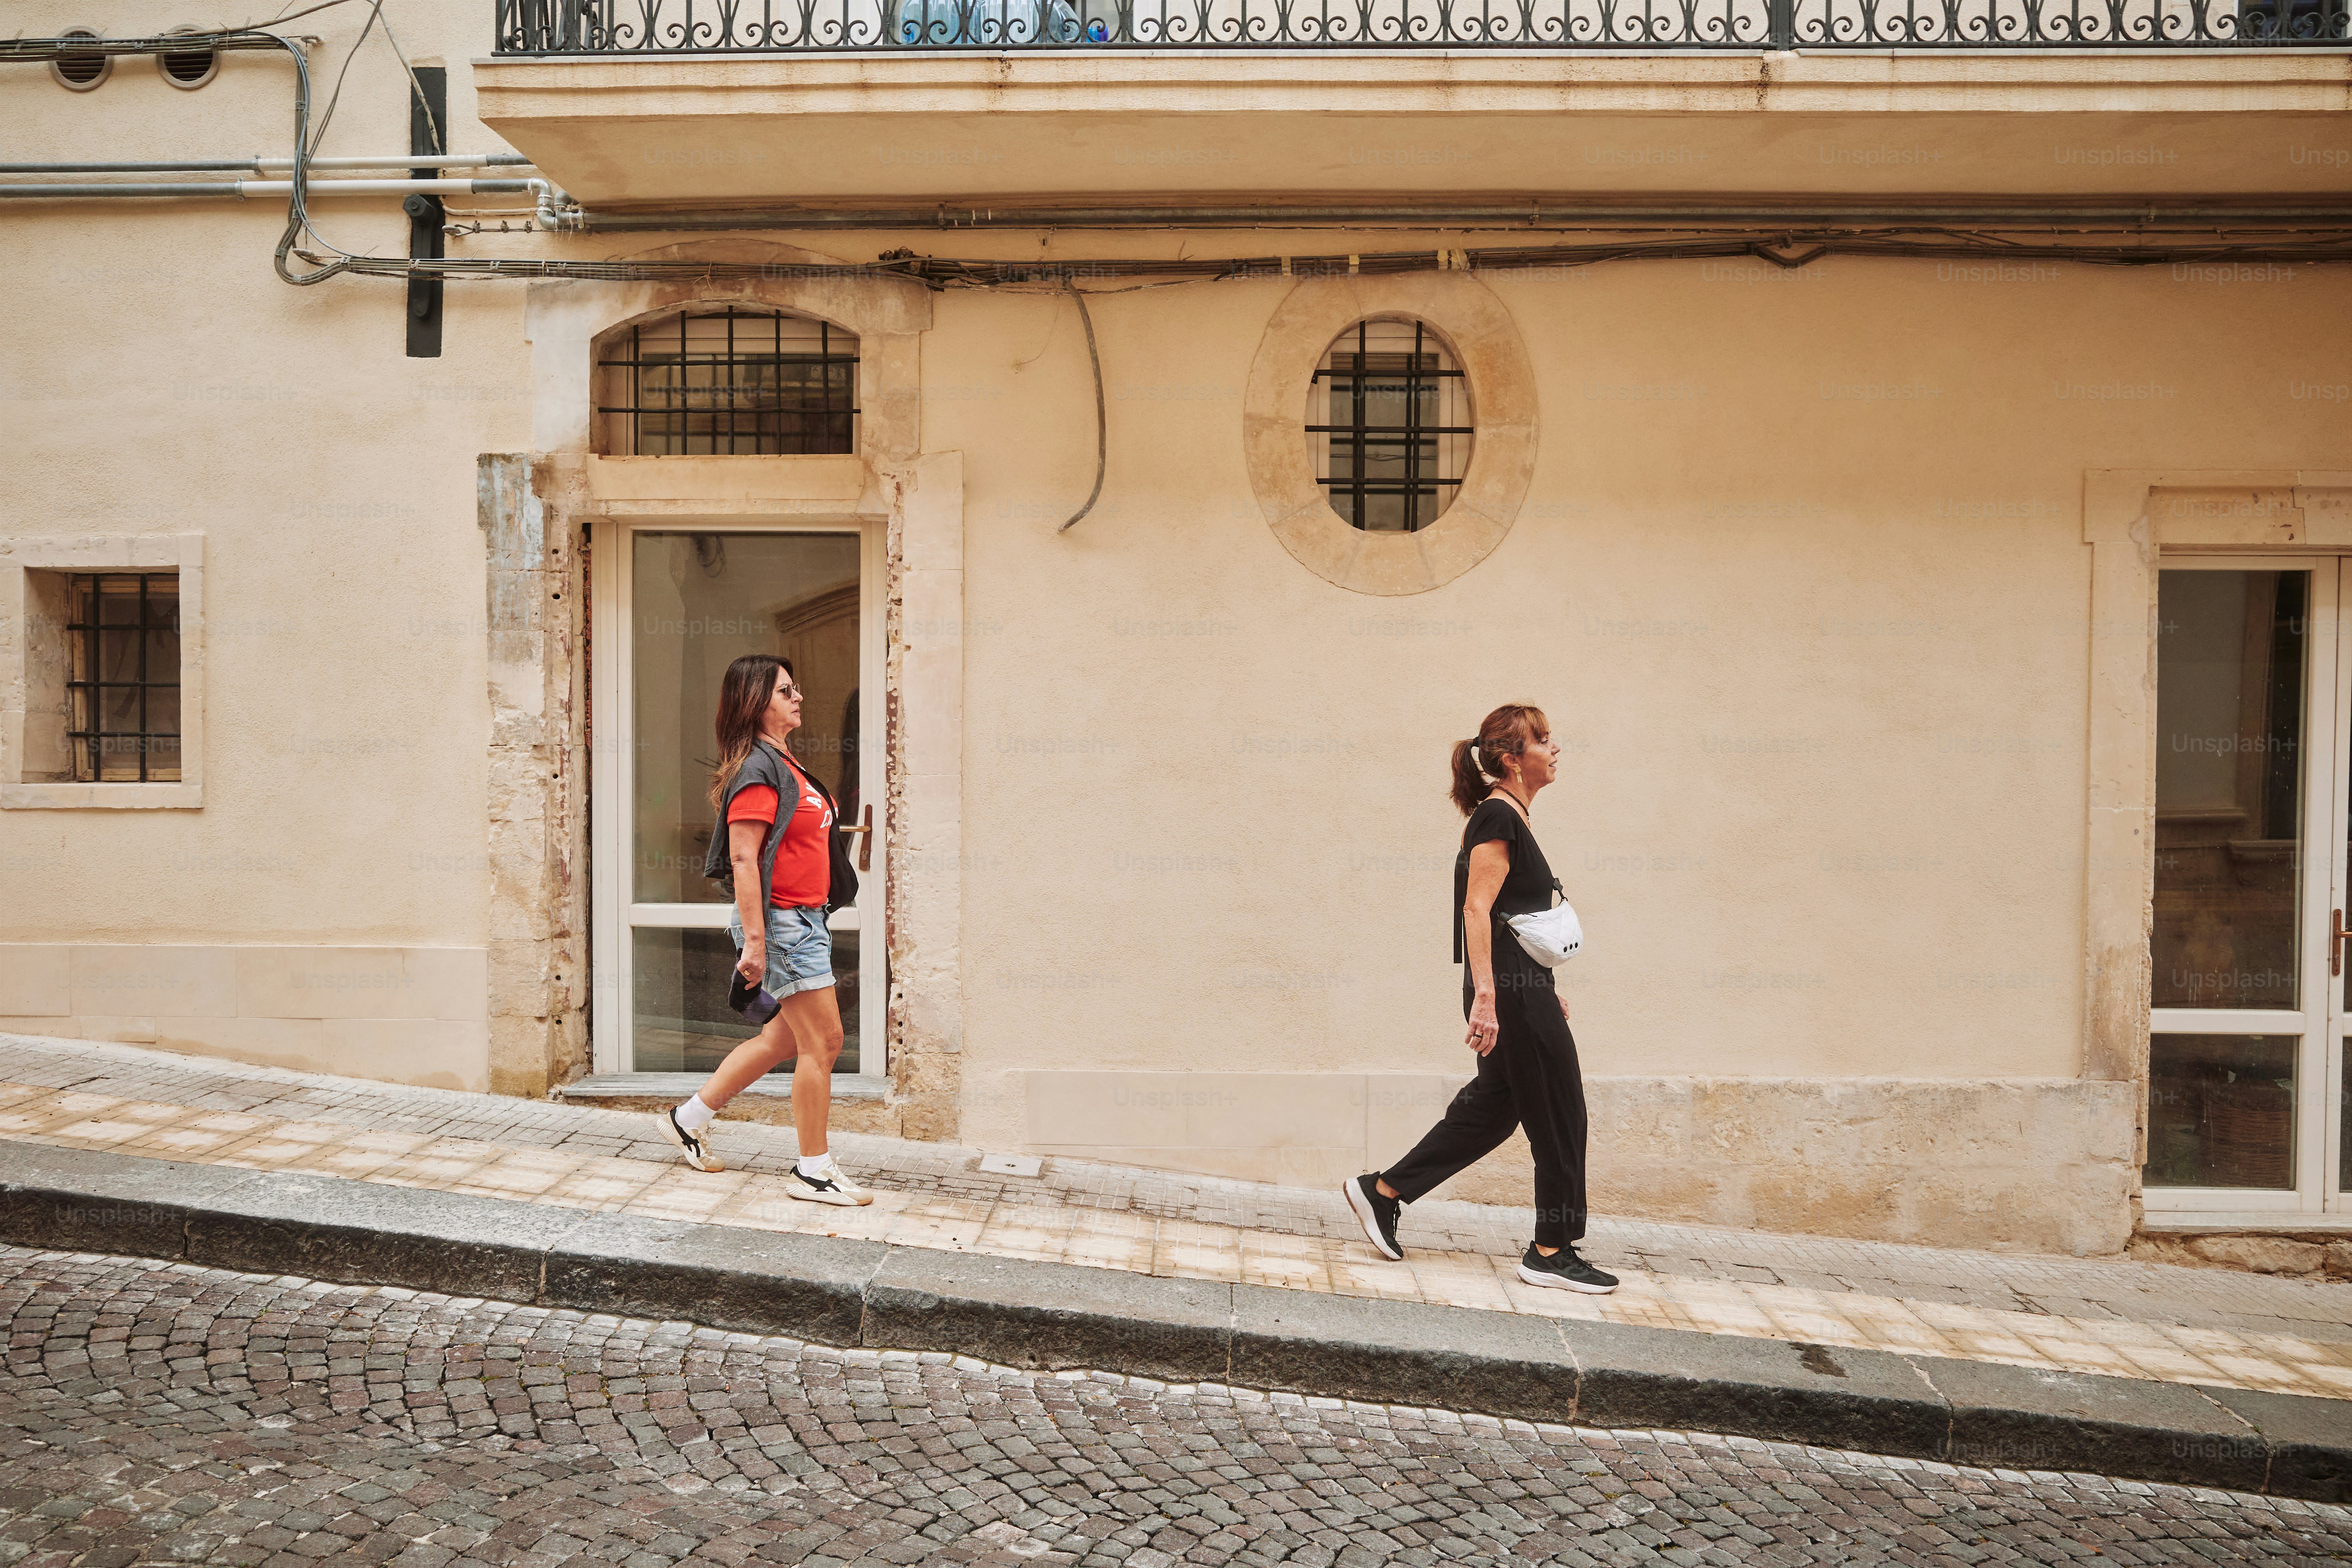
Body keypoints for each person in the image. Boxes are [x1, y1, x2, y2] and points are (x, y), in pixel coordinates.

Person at [1343, 704, 1618, 1293]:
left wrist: (1544, 988)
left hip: (1522, 985)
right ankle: (1551, 1248)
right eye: (1543, 741)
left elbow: (1512, 920)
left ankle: (1383, 1191)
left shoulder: (1508, 816)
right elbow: (1477, 909)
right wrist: (1491, 999)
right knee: (1561, 1109)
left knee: (1495, 1108)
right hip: (1509, 991)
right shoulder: (1498, 816)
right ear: (1512, 760)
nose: (1554, 749)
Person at [654, 653, 873, 1207]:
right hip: (781, 924)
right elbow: (745, 860)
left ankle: (689, 1118)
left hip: (802, 919)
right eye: (784, 692)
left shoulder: (785, 764)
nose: (798, 698)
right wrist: (756, 940)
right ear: (756, 703)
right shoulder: (757, 770)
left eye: (796, 689)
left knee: (781, 1039)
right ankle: (813, 1171)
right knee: (824, 1042)